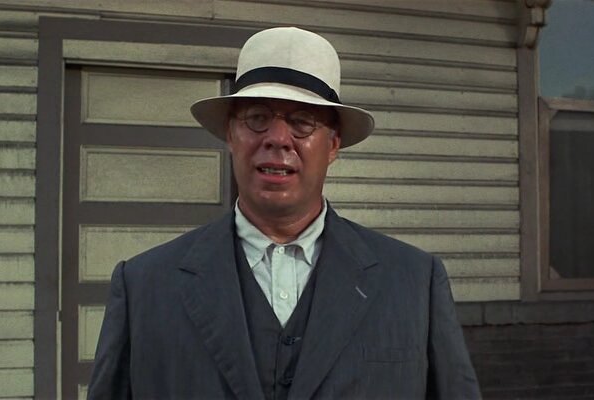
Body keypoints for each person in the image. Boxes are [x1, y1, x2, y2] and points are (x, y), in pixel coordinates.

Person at [87, 26, 480, 399]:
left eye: (302, 121)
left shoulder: (414, 283)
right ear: (231, 134)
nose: (277, 139)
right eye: (257, 118)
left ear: (333, 145)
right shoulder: (144, 288)